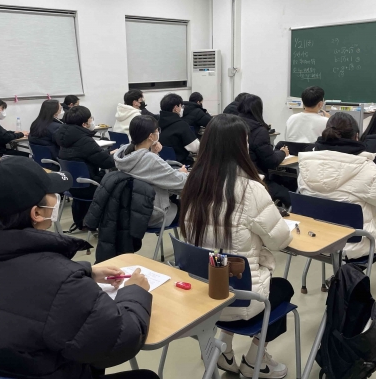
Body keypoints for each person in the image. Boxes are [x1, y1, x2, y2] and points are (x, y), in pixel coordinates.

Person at [0, 157, 157, 379]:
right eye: (51, 192)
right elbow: (120, 341)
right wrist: (135, 292)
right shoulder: (60, 281)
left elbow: (22, 285)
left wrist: (85, 272)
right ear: (36, 213)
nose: (57, 197)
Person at [180, 114, 293, 379]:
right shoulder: (251, 190)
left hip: (203, 295)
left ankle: (225, 351)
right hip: (240, 300)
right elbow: (280, 241)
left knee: (229, 270)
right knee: (283, 288)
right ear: (241, 146)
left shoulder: (193, 184)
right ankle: (255, 360)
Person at [298, 112, 376, 260]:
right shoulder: (363, 167)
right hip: (357, 244)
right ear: (356, 136)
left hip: (316, 238)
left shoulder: (305, 163)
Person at [114, 115, 188, 227]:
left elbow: (150, 173)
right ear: (151, 136)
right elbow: (181, 183)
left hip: (133, 211)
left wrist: (153, 153)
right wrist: (183, 173)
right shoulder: (150, 159)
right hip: (156, 215)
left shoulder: (124, 153)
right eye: (157, 130)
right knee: (200, 207)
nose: (158, 132)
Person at [56, 106, 116, 231]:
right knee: (117, 178)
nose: (92, 121)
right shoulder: (84, 140)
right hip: (89, 187)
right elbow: (107, 163)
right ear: (84, 124)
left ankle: (82, 221)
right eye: (90, 119)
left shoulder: (63, 138)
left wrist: (106, 154)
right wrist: (114, 155)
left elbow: (86, 155)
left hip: (71, 186)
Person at [238, 94, 290, 206]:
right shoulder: (259, 131)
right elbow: (271, 162)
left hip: (234, 180)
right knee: (288, 194)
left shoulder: (232, 125)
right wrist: (283, 153)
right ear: (258, 109)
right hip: (256, 180)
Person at [158, 93, 199, 165]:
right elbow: (195, 148)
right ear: (176, 108)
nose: (182, 109)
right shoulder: (181, 125)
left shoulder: (156, 124)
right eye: (181, 106)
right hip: (180, 165)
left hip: (162, 164)